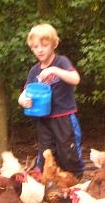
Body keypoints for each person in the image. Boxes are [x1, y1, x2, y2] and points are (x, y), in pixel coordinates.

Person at [18, 23, 85, 179]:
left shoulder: (61, 62)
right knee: (46, 155)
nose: (39, 50)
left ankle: (75, 184)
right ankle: (49, 188)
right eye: (35, 47)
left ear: (53, 44)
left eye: (44, 45)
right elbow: (25, 93)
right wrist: (23, 101)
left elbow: (75, 79)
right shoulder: (34, 71)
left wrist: (53, 70)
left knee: (68, 153)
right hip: (44, 120)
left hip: (64, 117)